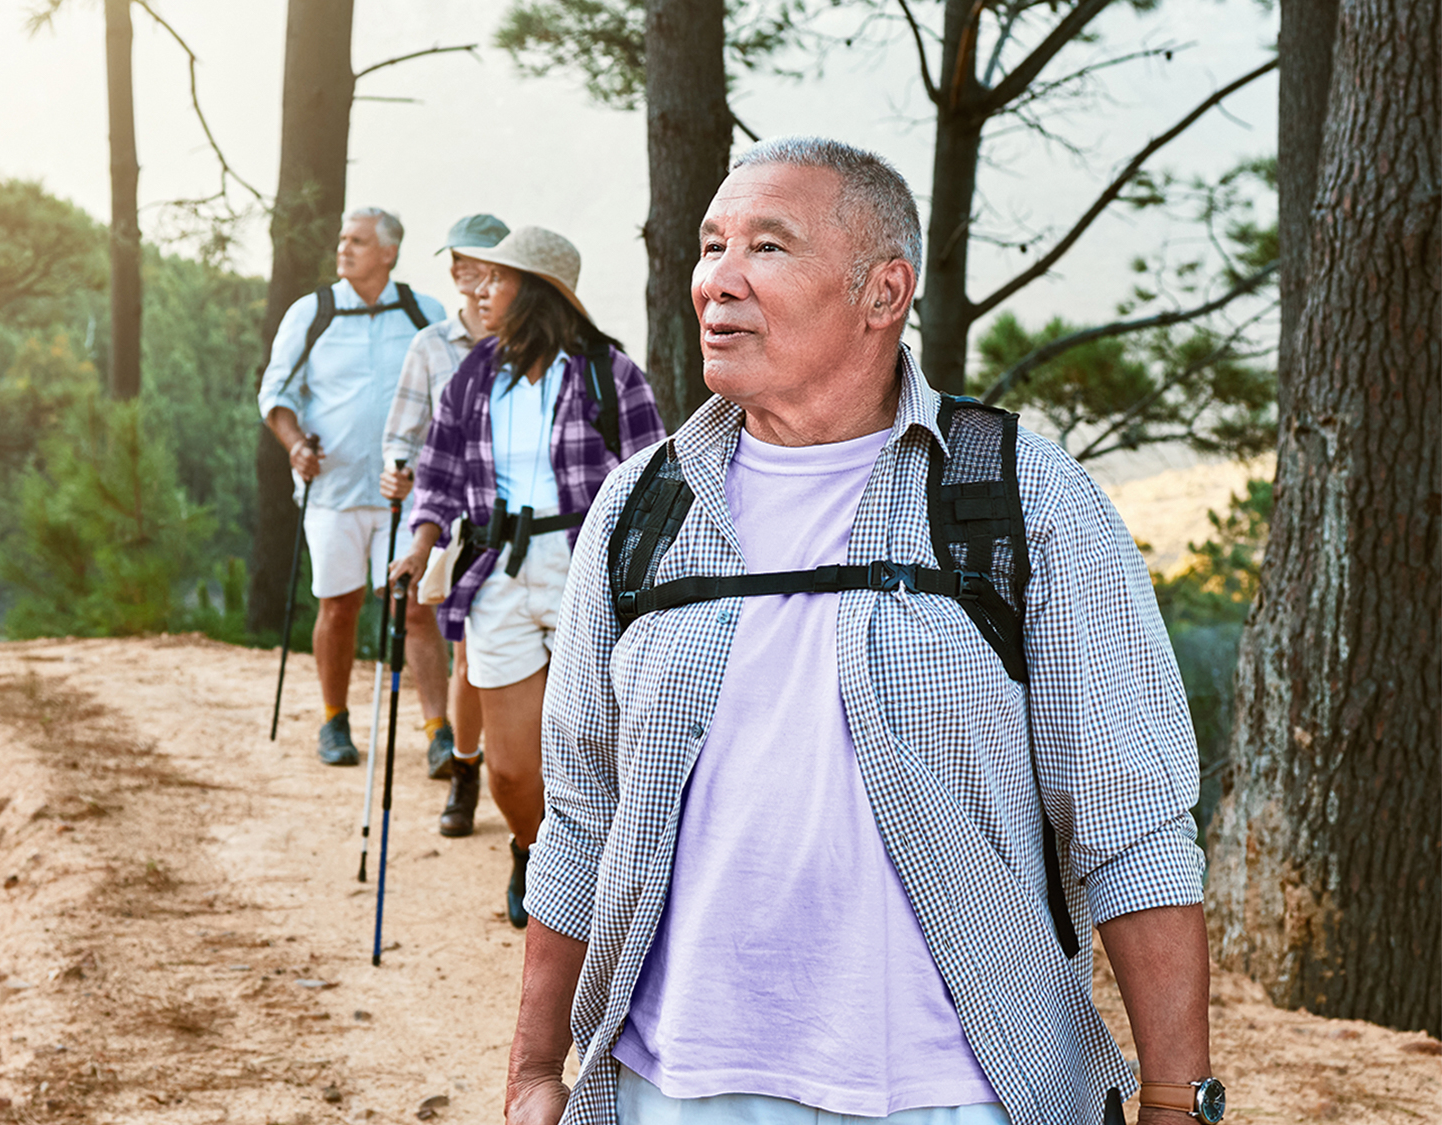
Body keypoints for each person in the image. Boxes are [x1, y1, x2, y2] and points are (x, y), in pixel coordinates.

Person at [507, 138, 1220, 1125]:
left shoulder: (1020, 501)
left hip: (956, 1099)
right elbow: (582, 817)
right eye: (711, 245)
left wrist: (1176, 1099)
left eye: (767, 247)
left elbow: (1131, 828)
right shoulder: (639, 512)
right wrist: (534, 1070)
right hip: (664, 1091)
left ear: (884, 292)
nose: (718, 280)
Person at [390, 226, 665, 927]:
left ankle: (584, 884)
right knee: (512, 769)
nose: (480, 290)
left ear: (536, 291)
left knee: (592, 743)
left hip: (584, 565)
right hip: (496, 569)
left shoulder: (610, 373)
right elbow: (440, 475)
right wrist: (421, 544)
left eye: (497, 280)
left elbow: (654, 484)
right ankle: (530, 847)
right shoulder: (473, 375)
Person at [258, 207, 451, 767]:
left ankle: (439, 731)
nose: (344, 249)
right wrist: (294, 445)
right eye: (342, 239)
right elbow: (276, 394)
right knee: (337, 606)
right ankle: (333, 723)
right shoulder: (312, 313)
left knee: (414, 608)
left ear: (388, 252)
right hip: (333, 491)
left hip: (406, 494)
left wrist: (434, 466)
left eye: (358, 241)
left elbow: (452, 402)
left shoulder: (423, 313)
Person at [379, 213, 508, 832]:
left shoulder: (532, 346)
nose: (459, 267)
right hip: (444, 509)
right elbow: (402, 434)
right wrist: (396, 471)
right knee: (438, 631)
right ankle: (450, 748)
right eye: (454, 257)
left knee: (481, 651)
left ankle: (488, 765)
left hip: (510, 523)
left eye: (474, 257)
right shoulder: (431, 345)